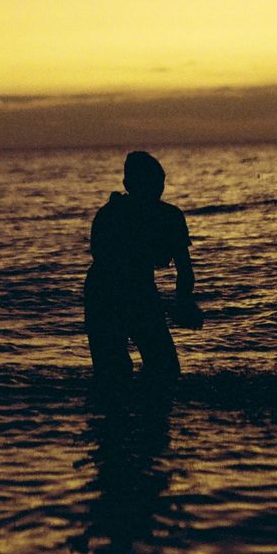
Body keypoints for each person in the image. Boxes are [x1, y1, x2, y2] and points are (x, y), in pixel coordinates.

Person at [84, 151, 202, 382]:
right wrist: (181, 302)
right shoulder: (115, 215)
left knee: (161, 369)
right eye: (151, 184)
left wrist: (183, 301)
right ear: (129, 185)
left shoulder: (165, 216)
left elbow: (184, 270)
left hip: (130, 291)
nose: (157, 190)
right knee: (119, 373)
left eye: (159, 184)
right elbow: (107, 262)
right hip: (107, 295)